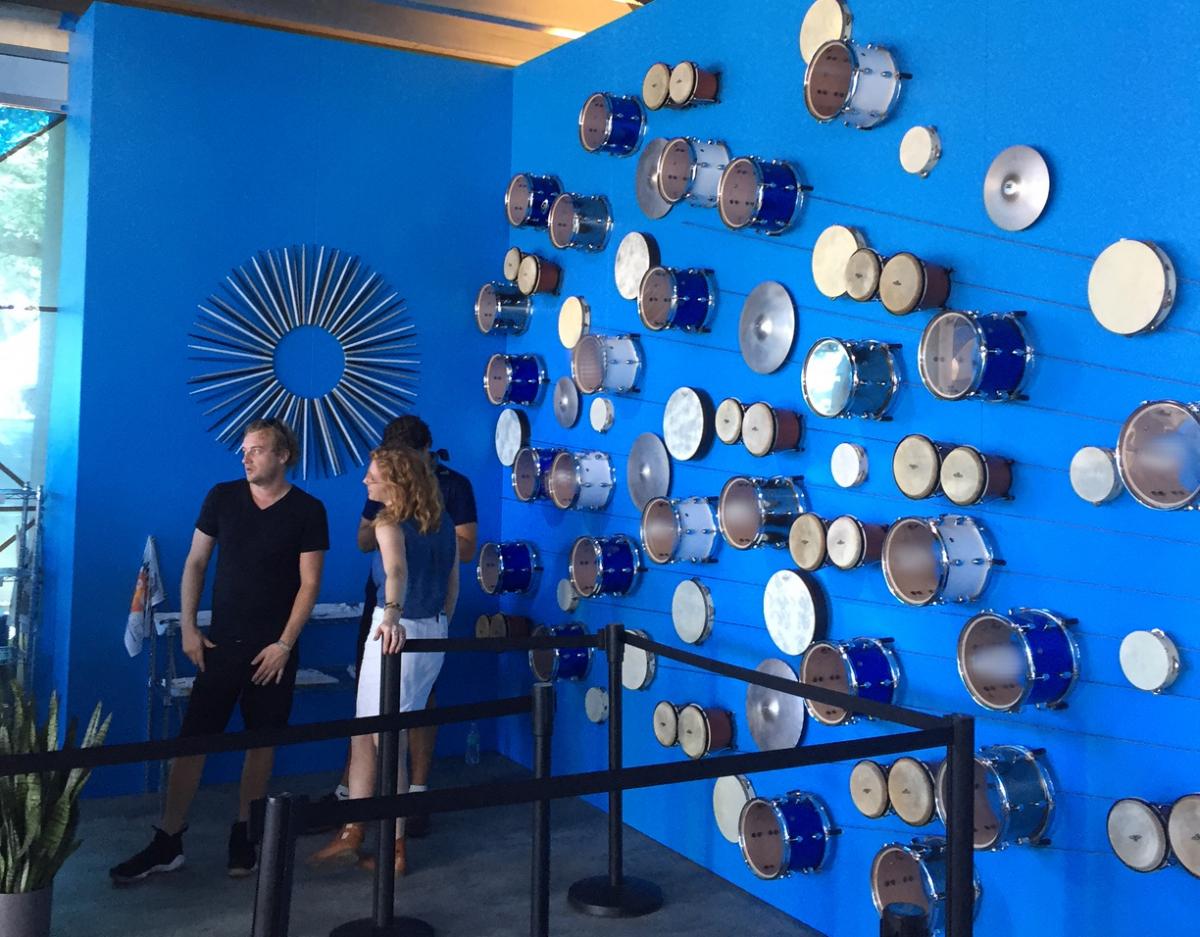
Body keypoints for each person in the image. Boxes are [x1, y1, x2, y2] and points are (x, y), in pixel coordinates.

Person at [110, 417, 329, 884]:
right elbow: (195, 562)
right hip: (219, 646)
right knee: (192, 744)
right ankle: (167, 840)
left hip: (273, 651)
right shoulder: (222, 497)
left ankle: (243, 833)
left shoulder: (308, 510)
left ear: (282, 455)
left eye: (256, 449)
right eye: (244, 450)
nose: (246, 456)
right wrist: (189, 627)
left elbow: (309, 585)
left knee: (260, 745)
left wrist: (284, 645)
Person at [315, 415, 475, 838]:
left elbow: (396, 569)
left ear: (395, 476)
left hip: (396, 630)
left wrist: (391, 615)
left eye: (372, 477)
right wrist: (440, 620)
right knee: (373, 730)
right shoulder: (439, 522)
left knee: (387, 740)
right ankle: (358, 830)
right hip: (429, 629)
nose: (366, 483)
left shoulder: (391, 520)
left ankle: (395, 842)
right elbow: (454, 580)